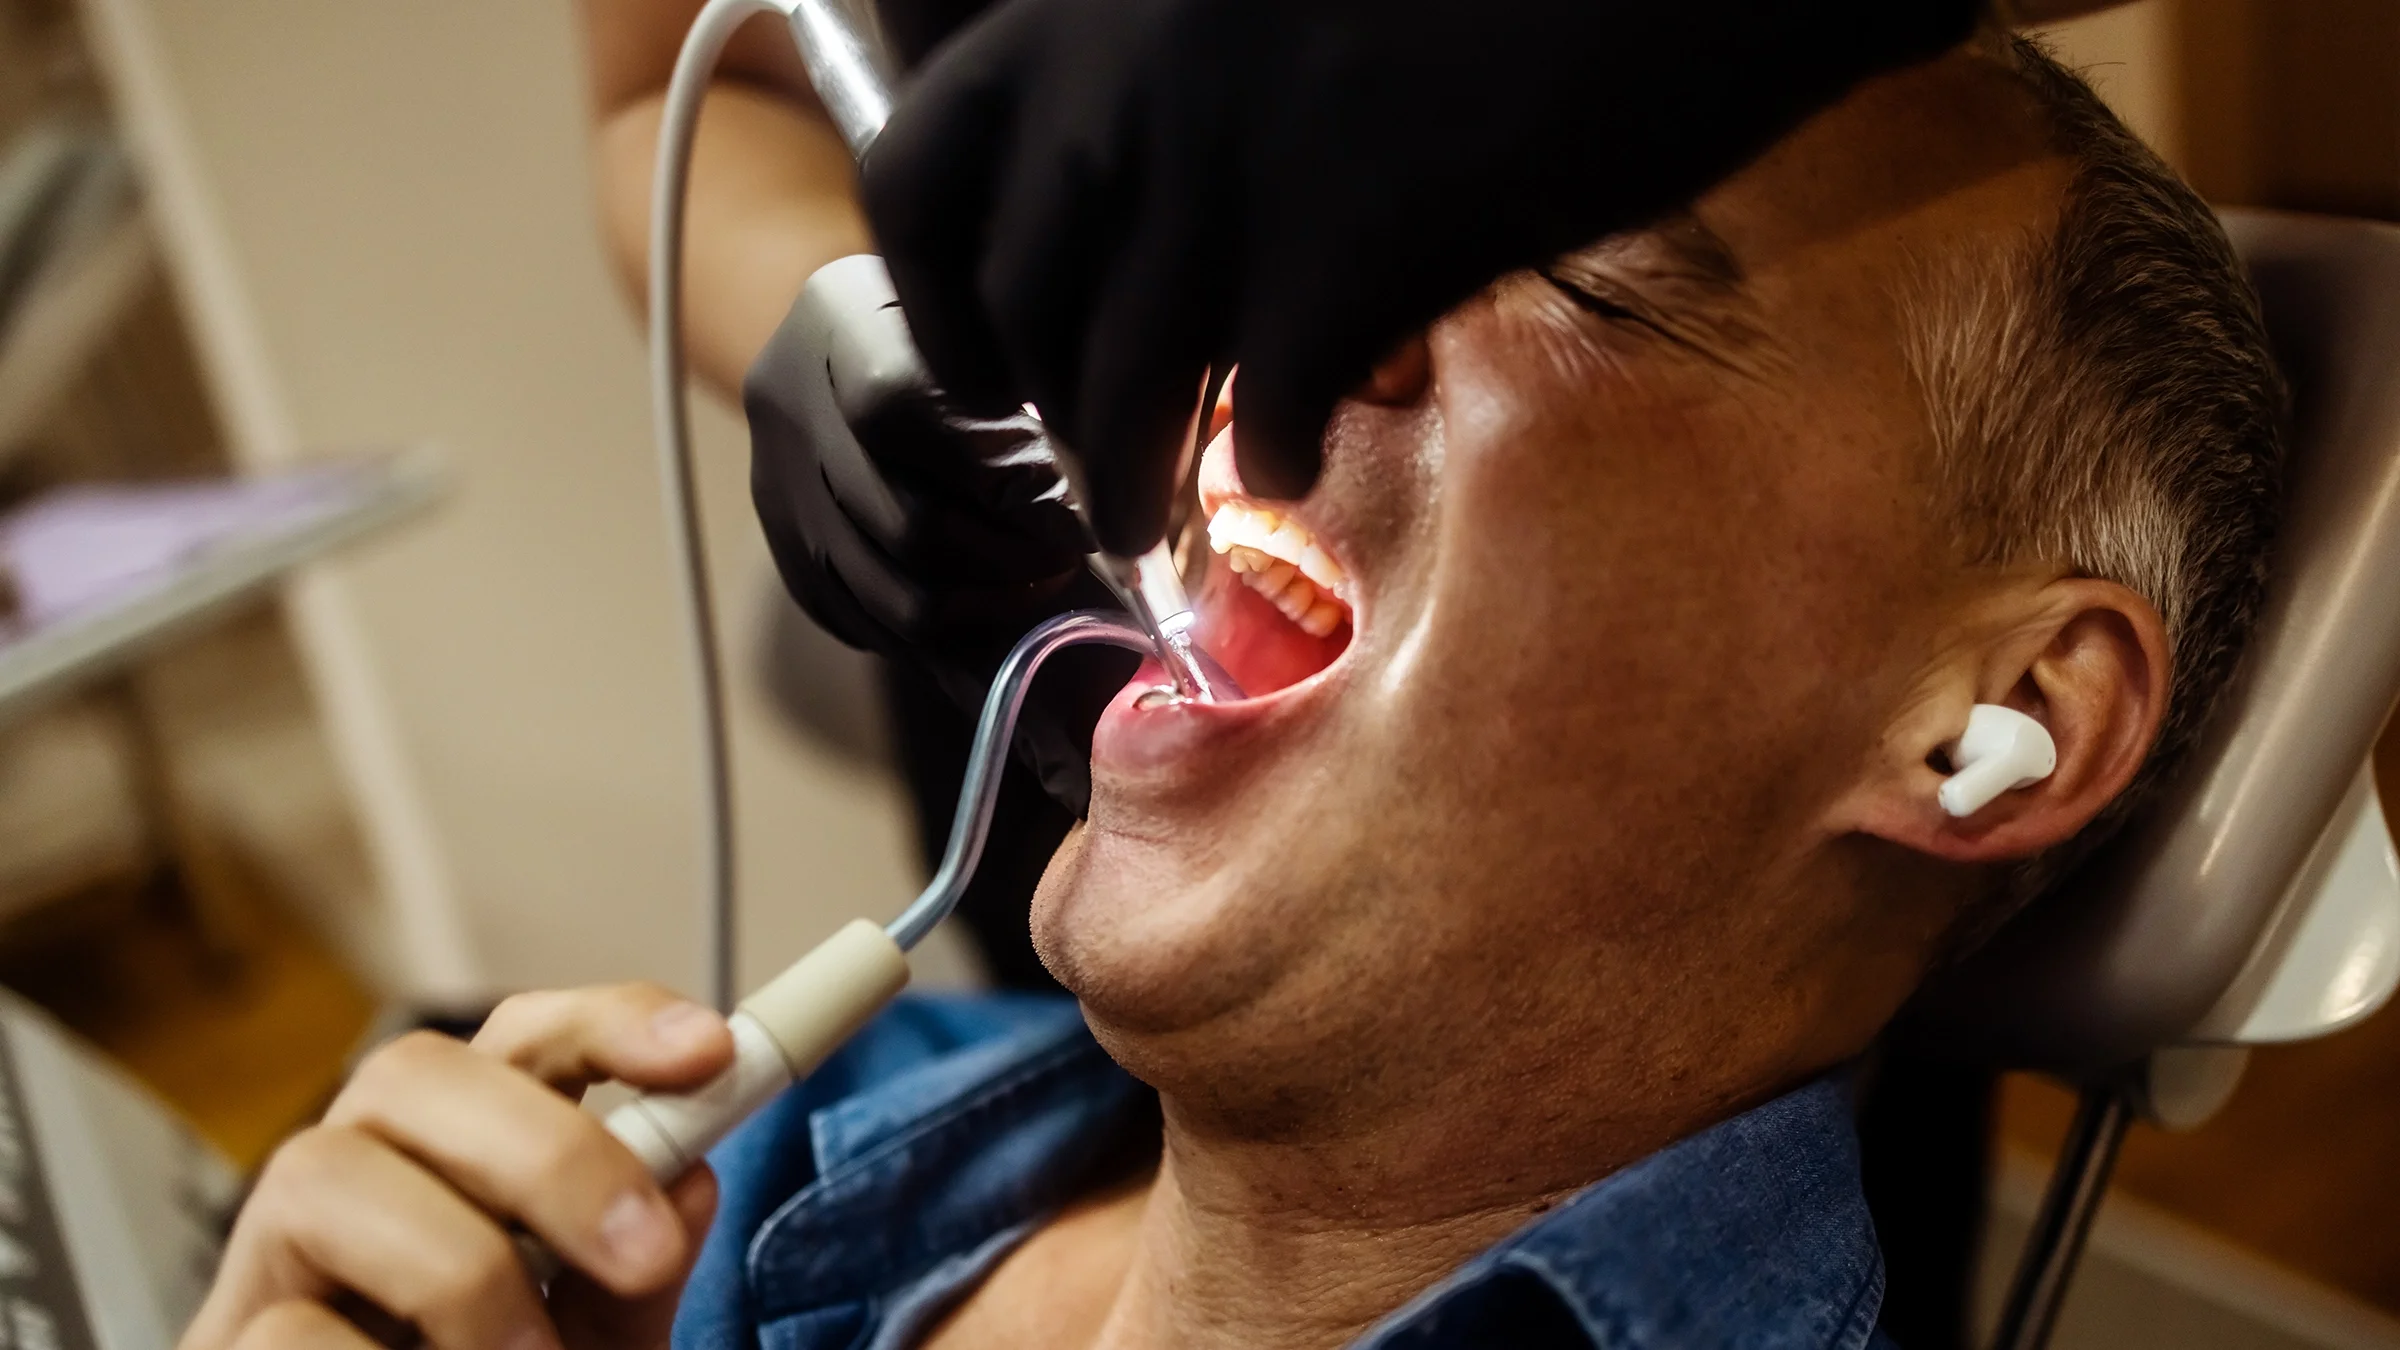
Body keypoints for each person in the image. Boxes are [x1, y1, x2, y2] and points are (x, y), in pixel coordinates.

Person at [179, 28, 2282, 1350]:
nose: (1261, 332)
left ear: (1993, 716)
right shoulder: (764, 1159)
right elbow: (673, 85)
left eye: (1572, 276)